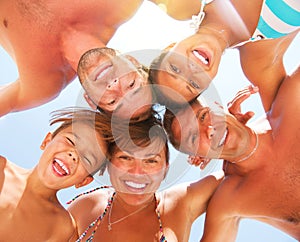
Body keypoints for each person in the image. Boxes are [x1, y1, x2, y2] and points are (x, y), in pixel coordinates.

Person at [162, 31, 300, 241]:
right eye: (194, 138)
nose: (209, 129)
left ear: (219, 107)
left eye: (203, 116)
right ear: (199, 157)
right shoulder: (231, 199)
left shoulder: (292, 102)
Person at [0, 0, 205, 118]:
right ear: (132, 61)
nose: (115, 86)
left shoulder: (43, 84)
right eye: (132, 85)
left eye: (113, 100)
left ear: (90, 100)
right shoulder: (117, 5)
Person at [67, 111, 224, 242]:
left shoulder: (179, 203)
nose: (137, 173)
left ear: (165, 170)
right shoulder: (86, 206)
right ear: (109, 163)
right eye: (126, 158)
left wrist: (211, 148)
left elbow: (239, 174)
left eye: (151, 161)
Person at [148, 0, 300, 105]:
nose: (191, 70)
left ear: (170, 47)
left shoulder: (180, 5)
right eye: (194, 83)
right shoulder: (259, 63)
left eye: (175, 68)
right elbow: (287, 129)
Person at [0, 107, 110, 241]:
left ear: (83, 181)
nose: (73, 154)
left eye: (87, 159)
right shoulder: (2, 169)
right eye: (71, 141)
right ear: (47, 141)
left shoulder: (62, 227)